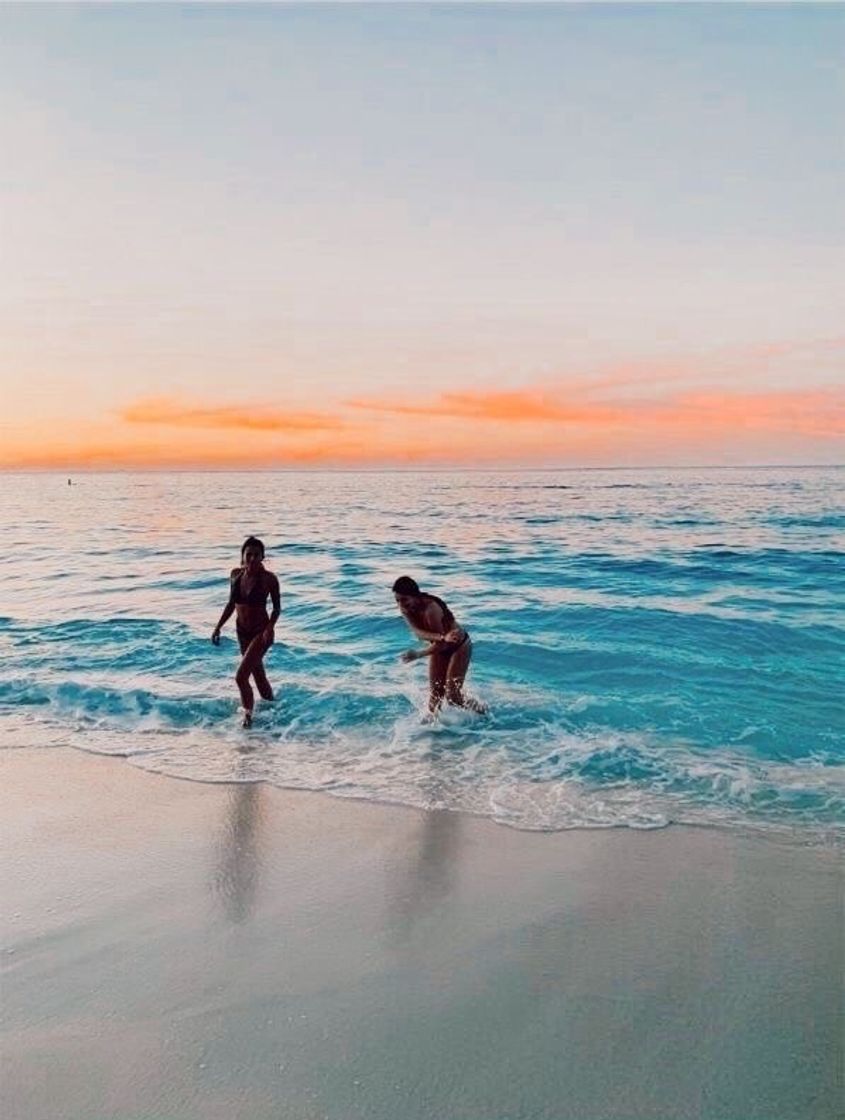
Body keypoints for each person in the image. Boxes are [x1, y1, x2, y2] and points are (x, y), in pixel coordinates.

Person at [212, 536, 280, 727]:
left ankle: (248, 717)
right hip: (242, 631)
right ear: (243, 556)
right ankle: (273, 707)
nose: (251, 558)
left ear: (262, 557)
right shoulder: (235, 575)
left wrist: (270, 629)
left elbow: (276, 608)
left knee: (241, 676)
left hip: (261, 632)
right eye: (248, 554)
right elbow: (231, 604)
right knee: (257, 674)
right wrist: (218, 626)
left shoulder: (269, 579)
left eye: (256, 555)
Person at [393, 575, 486, 715]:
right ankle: (432, 730)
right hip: (441, 645)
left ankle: (483, 712)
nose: (401, 605)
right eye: (397, 600)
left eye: (404, 599)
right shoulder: (406, 609)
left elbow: (443, 645)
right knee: (436, 695)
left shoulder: (431, 609)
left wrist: (418, 654)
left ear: (415, 596)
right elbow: (419, 633)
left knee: (453, 697)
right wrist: (442, 637)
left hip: (459, 647)